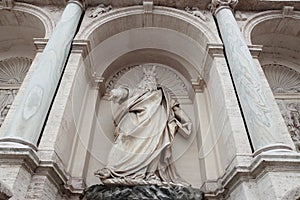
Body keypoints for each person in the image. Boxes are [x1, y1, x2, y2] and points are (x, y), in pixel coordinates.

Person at [95, 65, 192, 186]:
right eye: (146, 79)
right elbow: (125, 92)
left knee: (155, 148)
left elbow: (176, 109)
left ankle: (150, 174)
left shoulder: (164, 94)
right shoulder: (136, 92)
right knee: (122, 143)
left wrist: (186, 121)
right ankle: (113, 169)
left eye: (151, 79)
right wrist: (116, 92)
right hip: (133, 123)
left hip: (156, 125)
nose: (148, 81)